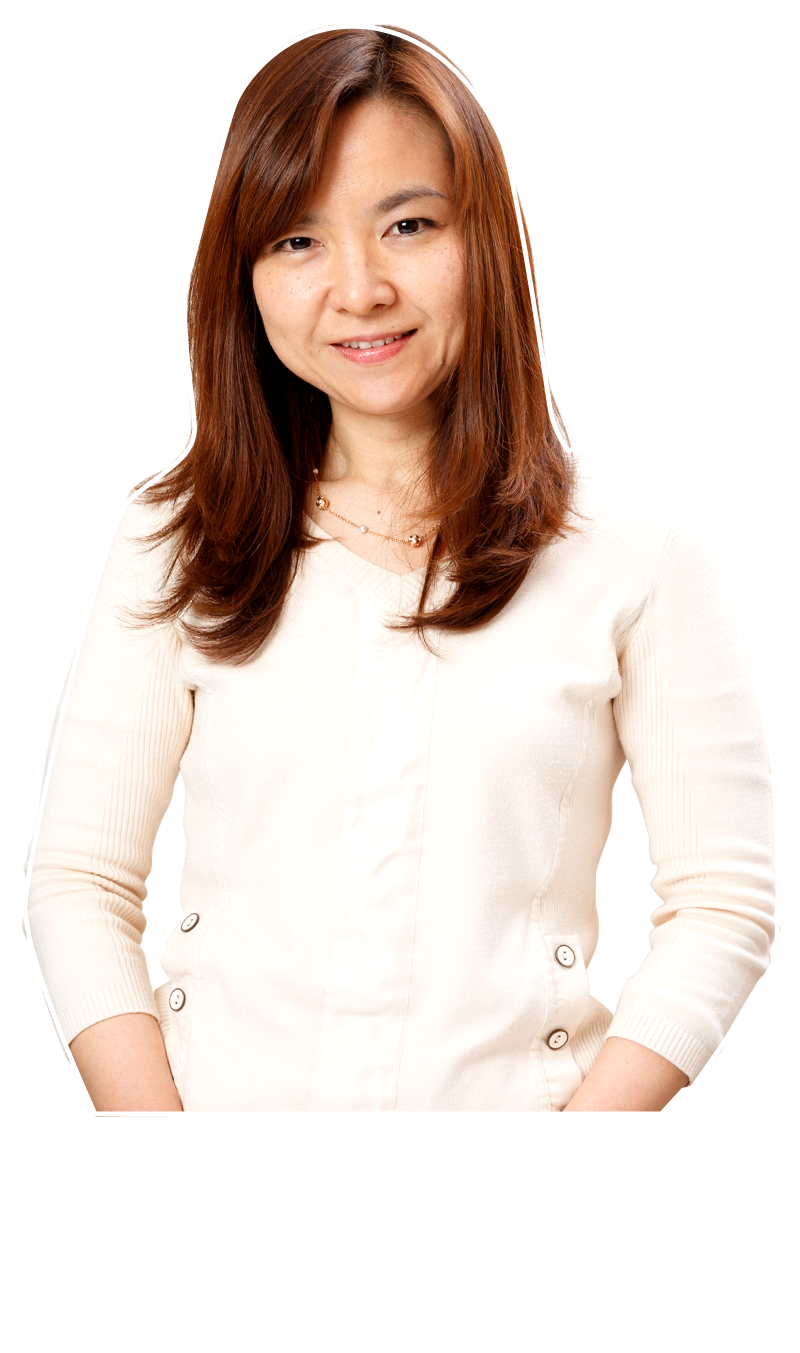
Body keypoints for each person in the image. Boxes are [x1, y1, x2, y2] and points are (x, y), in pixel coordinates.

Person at [24, 23, 775, 1114]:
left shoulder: (643, 524)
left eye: (408, 225)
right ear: (243, 275)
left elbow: (723, 901)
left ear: (488, 239)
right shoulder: (171, 531)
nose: (359, 288)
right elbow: (80, 882)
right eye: (297, 240)